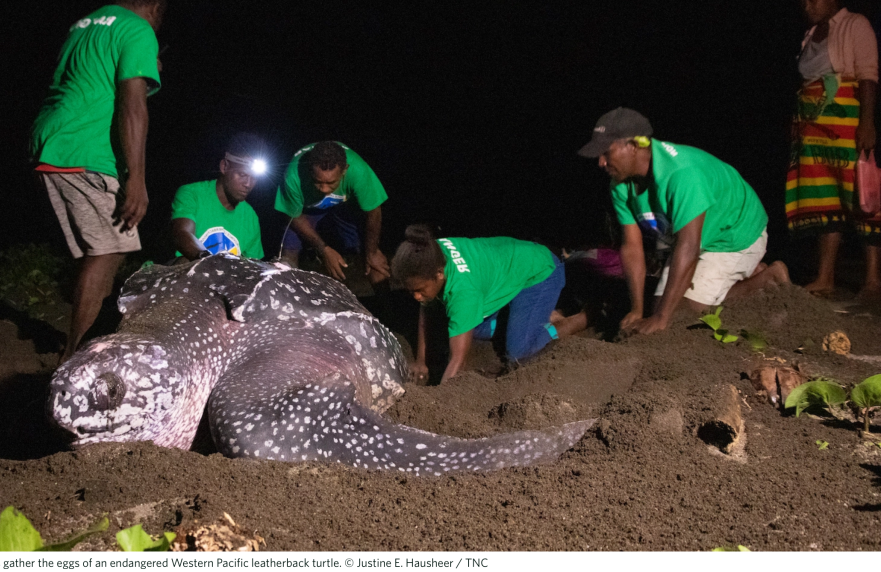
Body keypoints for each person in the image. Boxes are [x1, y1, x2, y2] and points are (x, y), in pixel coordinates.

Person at [30, 0, 165, 364]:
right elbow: (132, 105)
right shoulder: (139, 28)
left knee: (101, 250)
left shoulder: (84, 25)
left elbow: (91, 84)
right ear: (155, 10)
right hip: (83, 149)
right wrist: (136, 178)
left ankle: (81, 340)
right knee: (110, 248)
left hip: (52, 139)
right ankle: (77, 358)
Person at [578, 107, 790, 335]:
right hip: (693, 234)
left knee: (680, 314)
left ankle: (766, 279)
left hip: (734, 233)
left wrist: (660, 318)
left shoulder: (682, 174)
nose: (600, 162)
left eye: (606, 153)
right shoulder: (621, 183)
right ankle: (739, 278)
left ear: (633, 146)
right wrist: (637, 309)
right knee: (660, 305)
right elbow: (631, 246)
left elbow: (689, 247)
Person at [391, 225, 587, 384]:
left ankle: (585, 317)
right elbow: (427, 306)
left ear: (439, 274)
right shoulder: (430, 253)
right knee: (462, 326)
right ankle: (532, 315)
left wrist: (438, 404)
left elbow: (459, 360)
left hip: (541, 272)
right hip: (510, 273)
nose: (416, 297)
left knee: (518, 353)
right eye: (411, 291)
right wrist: (420, 361)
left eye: (419, 290)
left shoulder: (463, 292)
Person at [786, 0, 879, 298]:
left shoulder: (855, 24)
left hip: (846, 124)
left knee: (862, 196)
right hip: (814, 129)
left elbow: (868, 76)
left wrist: (867, 124)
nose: (807, 5)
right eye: (804, 0)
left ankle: (872, 279)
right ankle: (825, 277)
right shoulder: (811, 34)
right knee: (824, 199)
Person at [274, 141, 390, 284]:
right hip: (306, 209)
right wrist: (323, 249)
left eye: (331, 183)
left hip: (345, 205)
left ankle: (386, 305)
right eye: (318, 182)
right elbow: (292, 214)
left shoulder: (358, 171)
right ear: (310, 170)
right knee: (286, 261)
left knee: (374, 261)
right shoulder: (293, 175)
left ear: (344, 170)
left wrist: (372, 252)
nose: (324, 189)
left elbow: (374, 211)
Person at [170, 133, 266, 260]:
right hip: (177, 273)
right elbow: (182, 233)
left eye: (254, 178)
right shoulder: (192, 193)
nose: (248, 184)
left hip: (223, 278)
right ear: (224, 167)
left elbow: (253, 265)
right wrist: (210, 261)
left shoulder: (250, 216)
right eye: (242, 174)